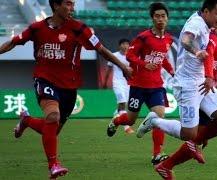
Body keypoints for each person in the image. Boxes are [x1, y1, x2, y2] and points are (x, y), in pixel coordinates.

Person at [0, 0, 131, 179]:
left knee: (51, 129)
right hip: (44, 79)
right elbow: (13, 42)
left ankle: (27, 120)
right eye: (68, 4)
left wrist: (123, 67)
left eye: (73, 4)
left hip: (69, 86)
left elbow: (101, 49)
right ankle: (53, 165)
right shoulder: (37, 28)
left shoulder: (79, 28)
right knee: (53, 116)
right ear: (55, 5)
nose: (72, 8)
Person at [137, 3, 217, 179]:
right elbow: (185, 40)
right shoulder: (196, 24)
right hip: (188, 85)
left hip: (203, 82)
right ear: (206, 11)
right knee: (189, 134)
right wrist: (198, 52)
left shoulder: (210, 28)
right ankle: (155, 121)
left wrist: (211, 73)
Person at [106, 2, 174, 165]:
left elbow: (162, 58)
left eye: (163, 16)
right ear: (152, 18)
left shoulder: (168, 39)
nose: (160, 19)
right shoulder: (144, 37)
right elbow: (130, 55)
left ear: (167, 19)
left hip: (156, 86)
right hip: (138, 86)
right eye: (157, 16)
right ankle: (116, 121)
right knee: (130, 120)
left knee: (160, 117)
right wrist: (144, 64)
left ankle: (157, 154)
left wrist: (173, 72)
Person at [105, 38, 134, 134]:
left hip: (128, 84)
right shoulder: (114, 56)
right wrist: (105, 82)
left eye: (127, 44)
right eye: (123, 44)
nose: (125, 46)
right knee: (122, 102)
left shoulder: (131, 56)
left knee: (125, 104)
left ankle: (116, 117)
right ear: (119, 45)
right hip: (117, 82)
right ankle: (127, 127)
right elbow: (108, 70)